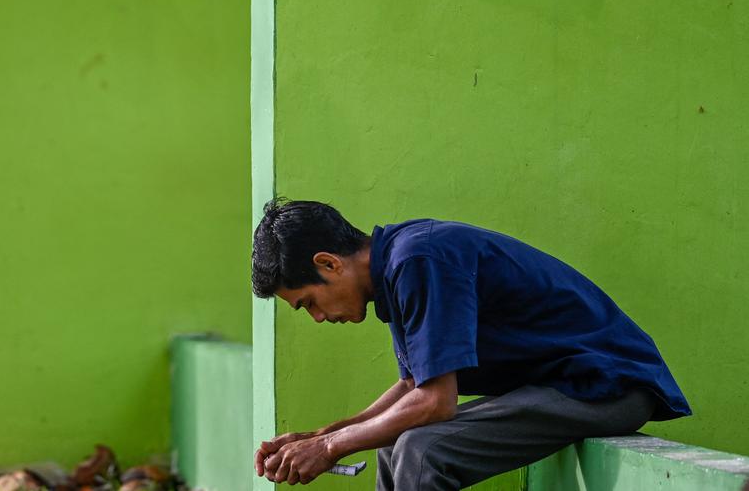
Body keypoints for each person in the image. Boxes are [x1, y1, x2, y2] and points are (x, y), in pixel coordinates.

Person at [250, 199, 689, 489]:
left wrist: (329, 448)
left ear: (328, 263)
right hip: (563, 389)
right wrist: (321, 436)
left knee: (422, 451)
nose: (320, 317)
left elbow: (436, 403)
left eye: (309, 303)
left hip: (607, 386)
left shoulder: (419, 260)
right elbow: (412, 389)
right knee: (392, 441)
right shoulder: (398, 265)